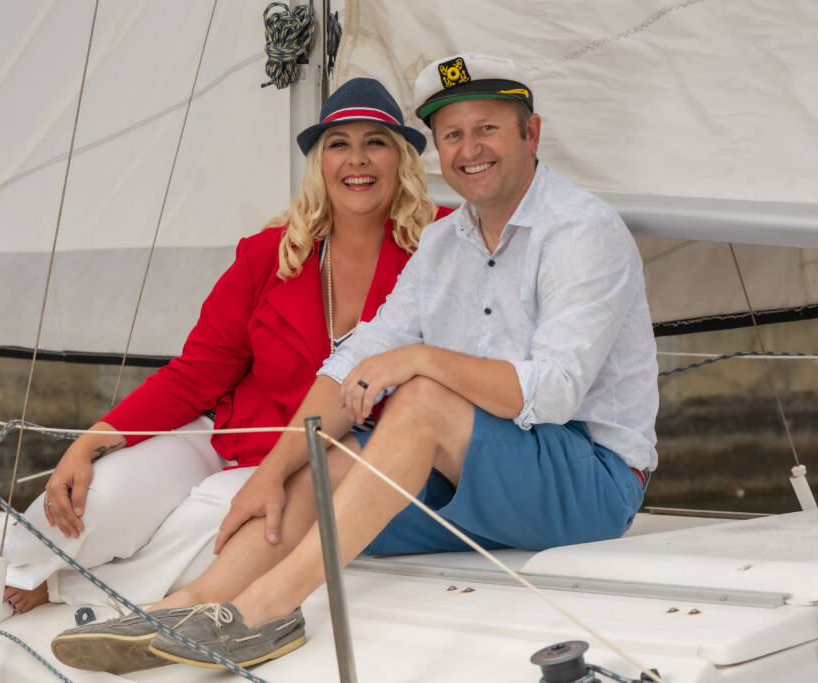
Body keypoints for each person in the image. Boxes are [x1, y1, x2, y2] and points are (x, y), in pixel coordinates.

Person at [136, 53, 659, 670]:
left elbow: (555, 391)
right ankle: (190, 605)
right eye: (453, 135)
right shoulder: (443, 243)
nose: (470, 149)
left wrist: (420, 360)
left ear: (531, 133)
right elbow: (358, 358)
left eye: (487, 128)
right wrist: (271, 470)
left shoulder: (581, 231)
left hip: (590, 480)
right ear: (437, 148)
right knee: (325, 458)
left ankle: (267, 611)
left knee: (418, 401)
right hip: (486, 478)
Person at [0, 77, 447, 632]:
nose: (357, 160)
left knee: (220, 529)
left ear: (403, 158)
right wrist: (95, 437)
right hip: (227, 437)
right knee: (103, 494)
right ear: (320, 161)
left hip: (325, 460)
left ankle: (54, 584)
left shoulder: (440, 248)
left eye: (376, 142)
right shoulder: (269, 253)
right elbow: (198, 372)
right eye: (339, 143)